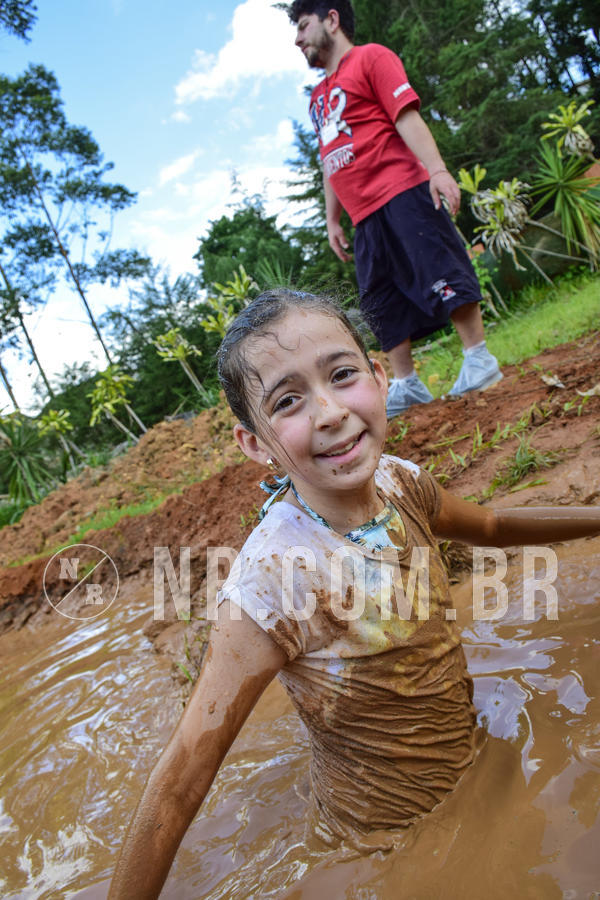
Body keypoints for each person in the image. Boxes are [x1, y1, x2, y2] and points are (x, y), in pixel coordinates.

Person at [109, 289, 600, 898]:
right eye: (288, 402)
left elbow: (495, 527)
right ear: (256, 444)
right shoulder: (272, 584)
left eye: (342, 376)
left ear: (377, 375)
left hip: (466, 755)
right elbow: (182, 778)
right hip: (382, 840)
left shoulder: (401, 482)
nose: (329, 412)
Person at [288, 0, 502, 418]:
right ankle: (408, 385)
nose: (297, 39)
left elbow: (406, 116)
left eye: (303, 25)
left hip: (402, 190)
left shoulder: (371, 58)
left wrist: (437, 170)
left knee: (439, 266)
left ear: (332, 20)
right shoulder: (317, 97)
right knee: (379, 300)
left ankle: (479, 359)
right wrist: (333, 218)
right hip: (363, 216)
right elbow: (328, 157)